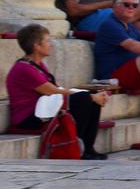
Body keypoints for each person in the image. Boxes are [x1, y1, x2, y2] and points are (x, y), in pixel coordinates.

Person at [7, 24, 110, 159]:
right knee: (84, 99)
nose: (51, 45)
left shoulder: (37, 65)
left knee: (90, 99)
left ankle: (88, 149)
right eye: (47, 41)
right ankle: (77, 148)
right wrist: (89, 96)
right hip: (28, 117)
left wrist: (91, 96)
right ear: (36, 46)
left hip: (42, 110)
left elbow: (57, 89)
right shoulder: (23, 69)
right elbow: (53, 91)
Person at [93, 0, 140, 119]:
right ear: (116, 6)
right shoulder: (110, 24)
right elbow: (133, 46)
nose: (131, 8)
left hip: (128, 72)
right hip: (112, 76)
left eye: (135, 5)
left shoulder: (129, 26)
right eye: (127, 4)